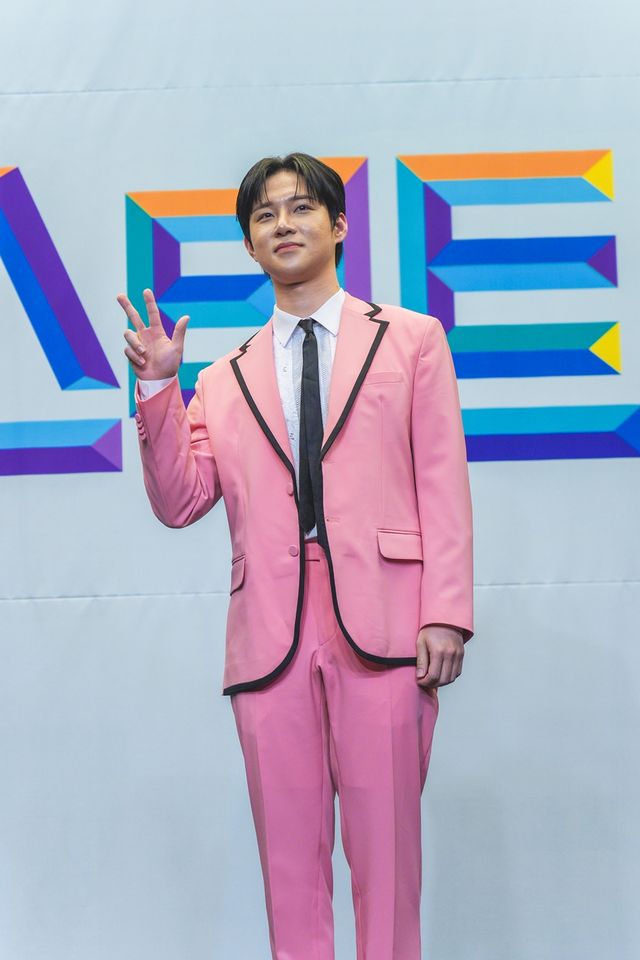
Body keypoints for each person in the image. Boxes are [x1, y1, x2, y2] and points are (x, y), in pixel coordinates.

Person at [117, 152, 474, 960]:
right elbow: (180, 501)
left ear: (339, 225)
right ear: (249, 243)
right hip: (270, 635)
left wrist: (446, 611)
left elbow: (441, 479)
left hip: (386, 624)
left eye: (302, 207)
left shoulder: (411, 340)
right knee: (288, 872)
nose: (284, 223)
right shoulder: (223, 378)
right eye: (265, 214)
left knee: (387, 864)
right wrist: (160, 389)